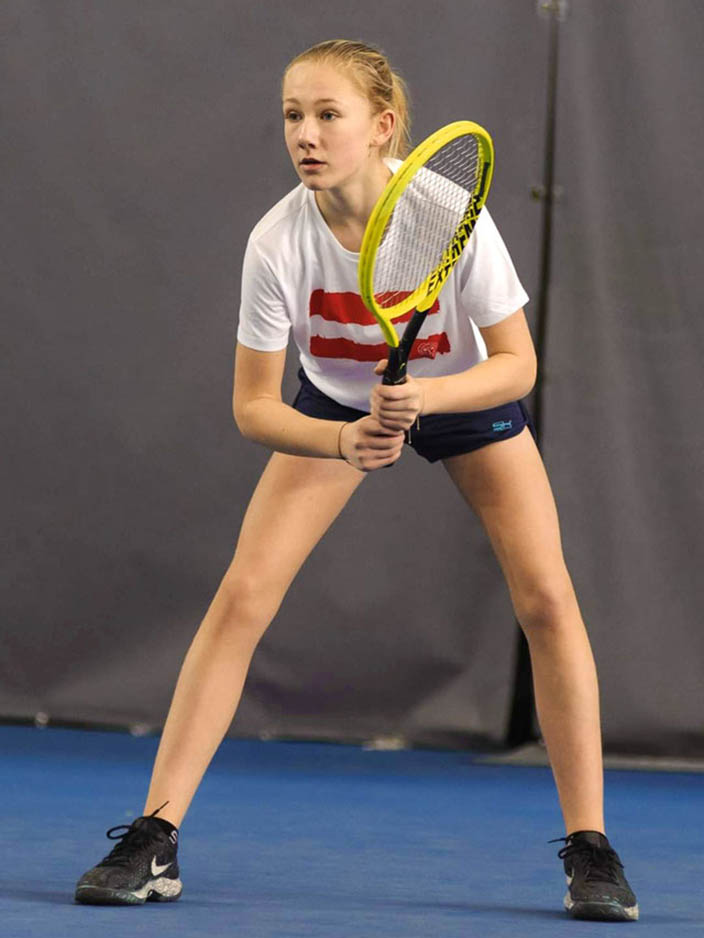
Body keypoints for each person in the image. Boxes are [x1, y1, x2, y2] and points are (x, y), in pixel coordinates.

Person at [75, 39, 638, 922]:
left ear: (383, 128)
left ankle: (592, 851)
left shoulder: (450, 211)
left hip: (460, 392)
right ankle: (154, 835)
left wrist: (430, 396)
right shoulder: (277, 241)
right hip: (340, 408)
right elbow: (254, 407)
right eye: (293, 116)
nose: (305, 134)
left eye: (327, 115)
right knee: (243, 596)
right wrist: (344, 444)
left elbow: (519, 364)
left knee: (548, 599)